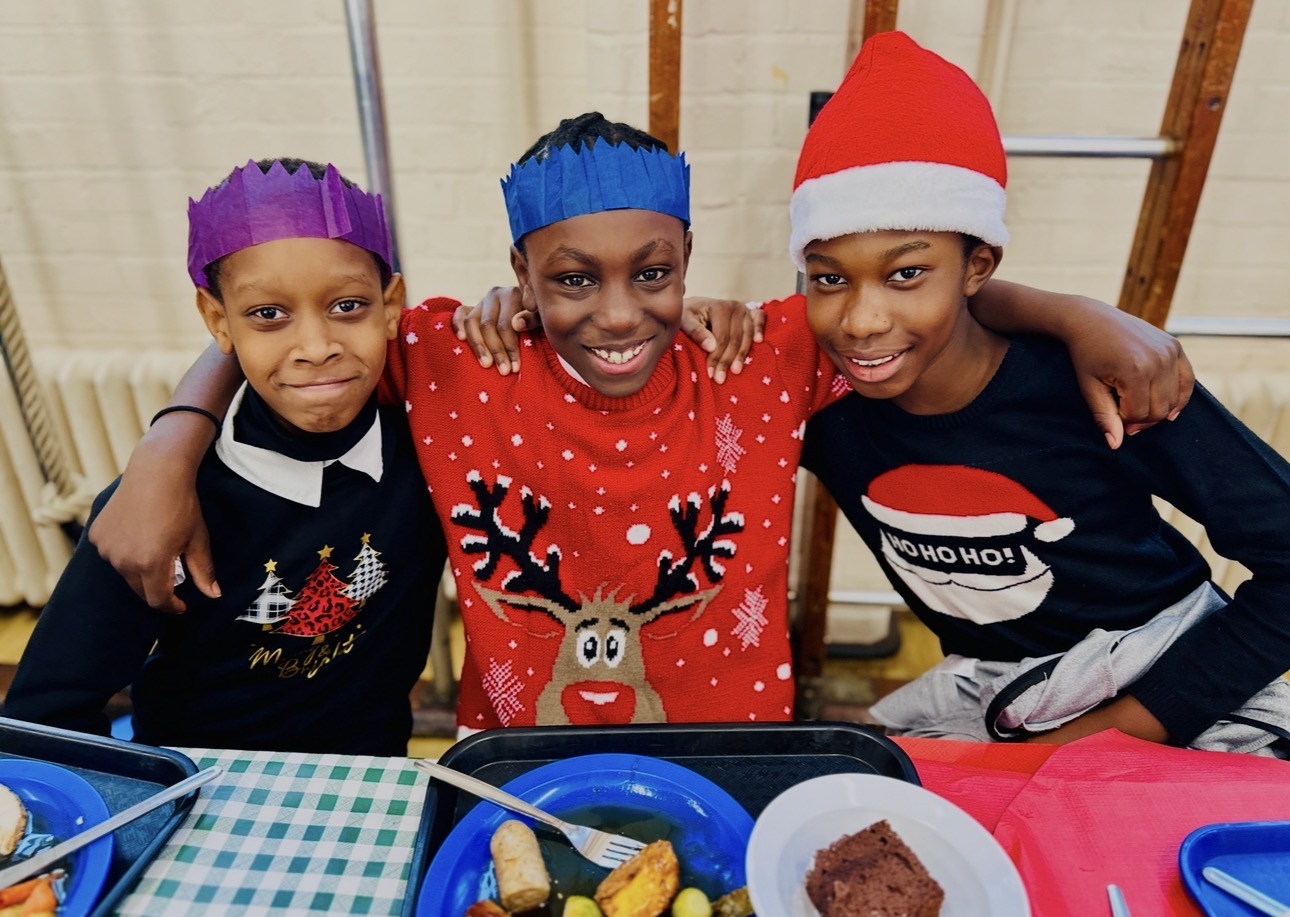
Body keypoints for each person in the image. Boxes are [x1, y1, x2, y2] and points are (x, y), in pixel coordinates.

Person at [86, 114, 1193, 736]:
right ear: (520, 273)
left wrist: (1075, 313)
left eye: (651, 272)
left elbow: (910, 301)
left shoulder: (759, 357)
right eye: (573, 278)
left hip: (735, 746)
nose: (618, 313)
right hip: (515, 751)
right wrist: (173, 438)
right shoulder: (450, 357)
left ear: (687, 260)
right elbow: (296, 326)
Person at [789, 32, 1290, 754]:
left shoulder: (1101, 384)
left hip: (1176, 688)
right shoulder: (818, 402)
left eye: (907, 274)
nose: (863, 321)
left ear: (977, 267)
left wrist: (1107, 737)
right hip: (999, 698)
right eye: (829, 277)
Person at [3, 158, 448, 754]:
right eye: (269, 315)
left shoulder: (436, 442)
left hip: (373, 771)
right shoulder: (162, 502)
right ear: (218, 320)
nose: (316, 347)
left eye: (347, 306)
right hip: (201, 776)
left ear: (390, 305)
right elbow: (43, 720)